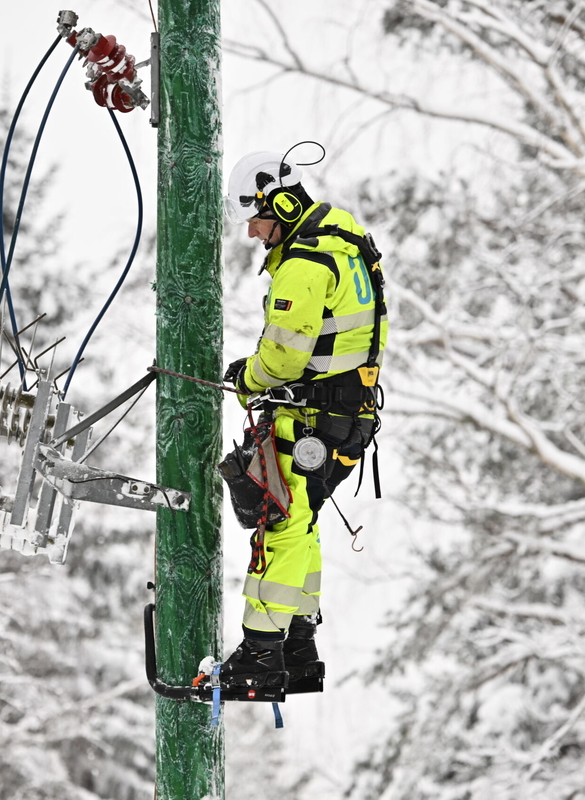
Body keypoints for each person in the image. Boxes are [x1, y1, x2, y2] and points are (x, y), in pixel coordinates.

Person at [217, 149, 388, 689]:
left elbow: (284, 357)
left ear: (282, 204)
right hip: (346, 416)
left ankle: (260, 655)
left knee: (282, 523)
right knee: (303, 521)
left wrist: (248, 379)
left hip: (315, 418)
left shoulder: (306, 263)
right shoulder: (344, 238)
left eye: (256, 218)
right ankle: (297, 644)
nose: (252, 232)